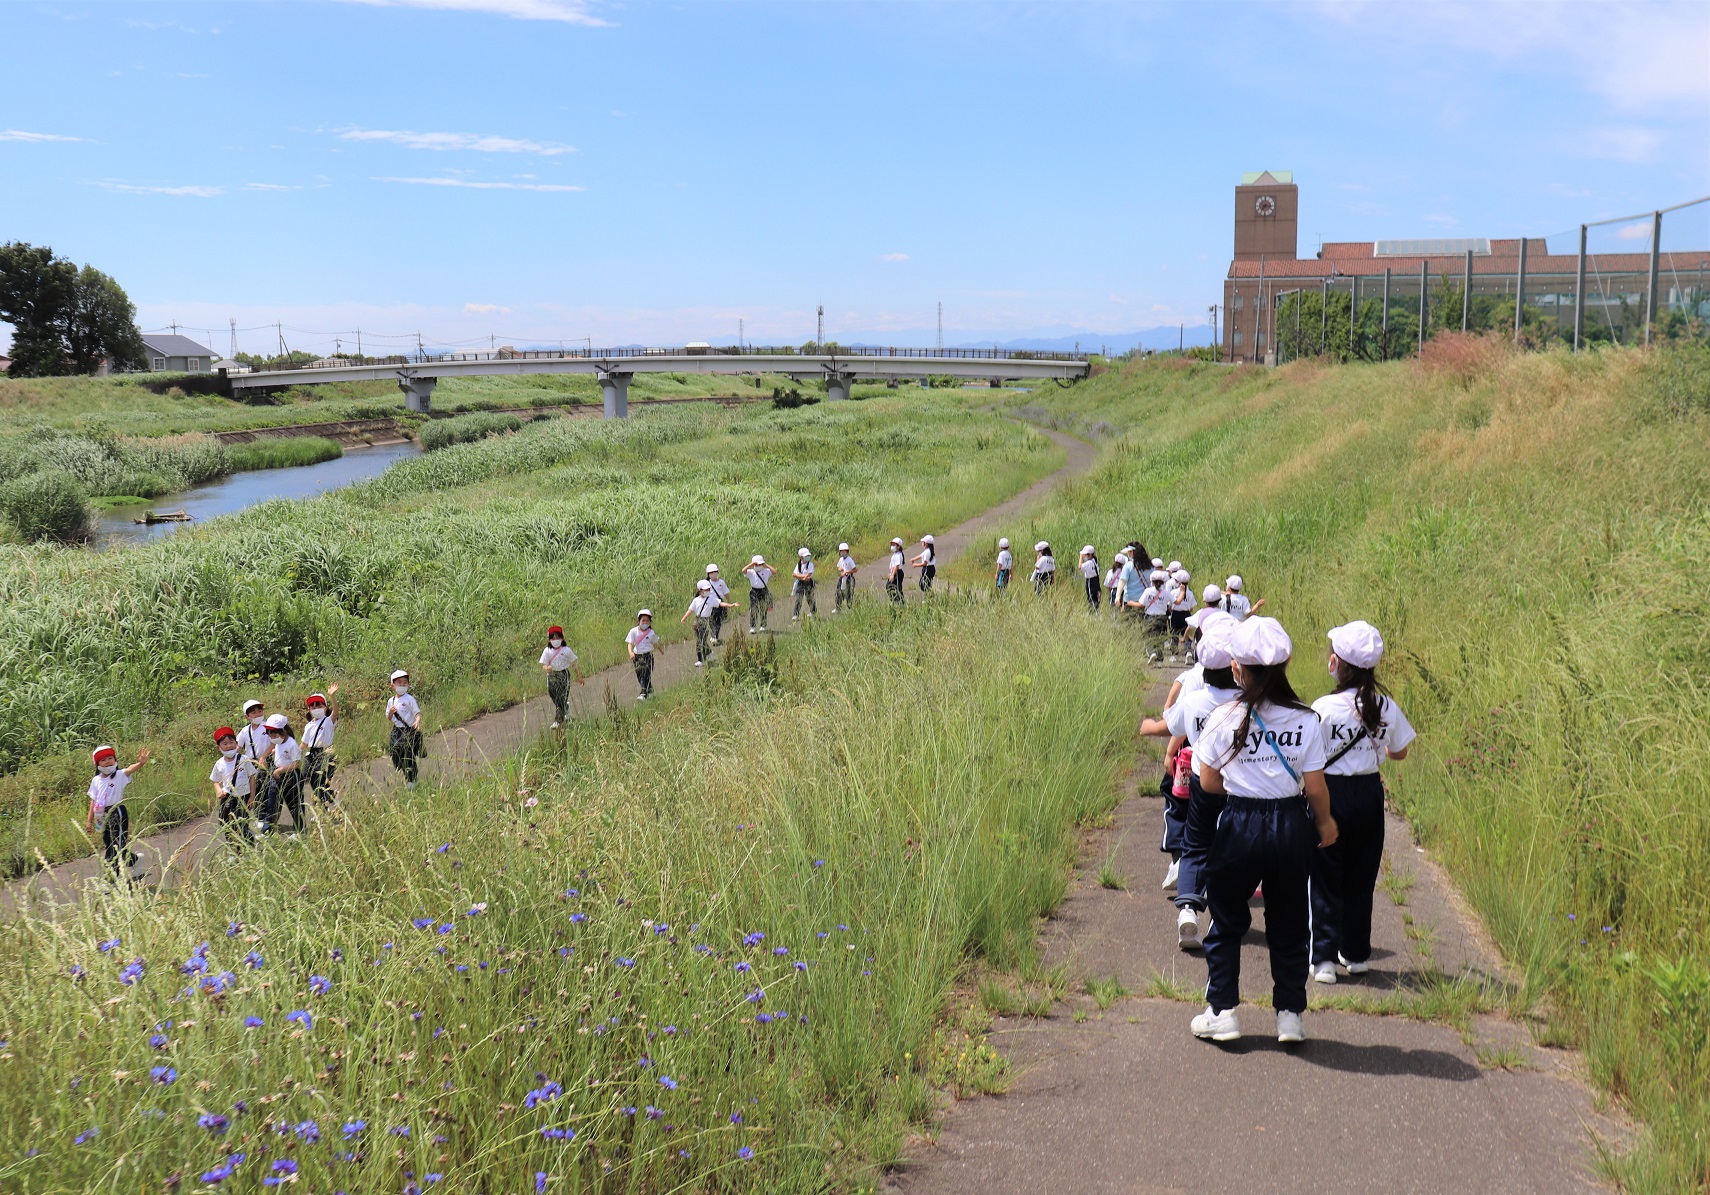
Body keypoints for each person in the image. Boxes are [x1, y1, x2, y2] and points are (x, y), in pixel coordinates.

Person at [1191, 617, 1336, 1045]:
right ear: (1286, 662)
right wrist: (1325, 823)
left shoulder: (1224, 717)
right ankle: (1289, 1015)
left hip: (1239, 823)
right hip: (1292, 824)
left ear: (1236, 668)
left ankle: (1222, 1011)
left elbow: (1208, 782)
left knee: (1227, 918)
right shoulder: (1306, 720)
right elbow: (1316, 787)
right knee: (1290, 921)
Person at [1310, 620, 1416, 984]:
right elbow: (1399, 752)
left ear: (1336, 664)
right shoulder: (1384, 705)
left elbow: (1310, 756)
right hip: (1370, 795)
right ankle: (1356, 954)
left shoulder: (1323, 706)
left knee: (1325, 874)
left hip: (1331, 793)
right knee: (1361, 874)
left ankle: (1323, 958)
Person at [1141, 617, 1240, 950]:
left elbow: (1170, 725)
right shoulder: (1246, 702)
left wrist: (1147, 726)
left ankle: (1187, 908)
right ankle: (1224, 913)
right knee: (1229, 847)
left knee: (1195, 844)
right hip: (1238, 786)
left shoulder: (1195, 701)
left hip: (1200, 780)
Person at [86, 744, 149, 879]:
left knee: (116, 847)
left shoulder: (119, 775)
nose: (107, 761)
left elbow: (129, 770)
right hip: (101, 814)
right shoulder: (96, 780)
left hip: (117, 812)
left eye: (110, 758)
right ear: (97, 764)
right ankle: (136, 861)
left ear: (115, 760)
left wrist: (140, 763)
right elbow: (93, 801)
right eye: (103, 760)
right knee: (110, 845)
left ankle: (110, 879)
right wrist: (89, 821)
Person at [209, 726, 257, 845]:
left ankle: (248, 846)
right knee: (227, 824)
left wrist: (252, 797)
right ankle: (232, 848)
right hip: (228, 798)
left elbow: (252, 777)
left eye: (231, 742)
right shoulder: (219, 763)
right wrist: (218, 790)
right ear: (218, 747)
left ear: (236, 743)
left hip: (244, 797)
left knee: (242, 823)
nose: (229, 746)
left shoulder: (244, 759)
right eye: (225, 743)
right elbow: (215, 780)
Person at [259, 713, 304, 836]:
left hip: (290, 776)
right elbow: (280, 752)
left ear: (283, 731)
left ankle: (300, 831)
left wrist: (280, 770)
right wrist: (273, 752)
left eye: (274, 733)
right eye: (269, 733)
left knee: (294, 805)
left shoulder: (292, 744)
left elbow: (296, 764)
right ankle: (266, 830)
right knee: (272, 803)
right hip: (277, 776)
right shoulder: (278, 743)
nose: (272, 736)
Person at [682, 579, 735, 667]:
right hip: (697, 621)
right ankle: (709, 653)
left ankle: (701, 660)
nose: (708, 591)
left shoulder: (711, 599)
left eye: (708, 589)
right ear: (700, 591)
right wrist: (684, 618)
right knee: (700, 640)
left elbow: (720, 603)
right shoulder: (696, 600)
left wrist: (730, 605)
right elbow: (690, 610)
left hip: (706, 620)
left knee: (700, 641)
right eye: (705, 590)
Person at [385, 669, 424, 788]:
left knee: (408, 755)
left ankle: (412, 780)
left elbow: (417, 713)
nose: (402, 685)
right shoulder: (391, 701)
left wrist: (417, 722)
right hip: (397, 731)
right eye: (399, 682)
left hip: (408, 730)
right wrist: (391, 713)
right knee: (395, 752)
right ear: (393, 685)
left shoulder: (409, 699)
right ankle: (405, 773)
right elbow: (388, 717)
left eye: (405, 682)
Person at [301, 689, 339, 804]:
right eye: (312, 706)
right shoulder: (309, 726)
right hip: (312, 754)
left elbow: (336, 711)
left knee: (322, 782)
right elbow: (304, 744)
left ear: (325, 707)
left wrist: (332, 696)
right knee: (312, 781)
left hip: (325, 753)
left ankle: (324, 804)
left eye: (319, 705)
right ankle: (328, 798)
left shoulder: (328, 721)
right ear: (309, 709)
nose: (315, 708)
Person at [626, 609, 660, 699]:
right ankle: (650, 690)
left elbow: (655, 643)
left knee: (646, 674)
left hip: (648, 655)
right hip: (637, 656)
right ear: (639, 621)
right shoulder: (633, 631)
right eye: (643, 620)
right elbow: (630, 643)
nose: (645, 622)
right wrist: (631, 653)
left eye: (647, 621)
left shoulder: (651, 633)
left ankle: (643, 693)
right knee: (640, 674)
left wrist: (661, 650)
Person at [743, 555, 776, 633]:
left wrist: (765, 564)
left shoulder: (766, 571)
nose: (758, 566)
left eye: (760, 564)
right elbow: (743, 571)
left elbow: (774, 572)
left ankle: (763, 625)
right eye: (756, 564)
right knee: (754, 609)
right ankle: (753, 626)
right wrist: (751, 564)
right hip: (754, 591)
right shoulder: (751, 572)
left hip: (763, 590)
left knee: (763, 608)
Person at [236, 699, 270, 772]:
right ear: (246, 716)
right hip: (250, 763)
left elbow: (274, 743)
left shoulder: (268, 726)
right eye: (254, 713)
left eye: (260, 711)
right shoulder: (245, 730)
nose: (258, 714)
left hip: (266, 761)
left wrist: (263, 756)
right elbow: (239, 746)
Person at [1167, 568, 1198, 643]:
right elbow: (1191, 608)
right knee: (1185, 632)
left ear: (1178, 582)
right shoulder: (1190, 593)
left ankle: (1174, 650)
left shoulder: (1173, 592)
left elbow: (1169, 605)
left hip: (1175, 614)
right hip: (1186, 614)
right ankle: (1188, 650)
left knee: (1174, 633)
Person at [705, 566, 733, 644]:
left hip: (720, 604)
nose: (713, 574)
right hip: (710, 605)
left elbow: (726, 593)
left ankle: (715, 636)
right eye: (711, 572)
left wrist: (729, 601)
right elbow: (705, 595)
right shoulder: (706, 583)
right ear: (708, 574)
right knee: (711, 621)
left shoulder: (721, 582)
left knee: (718, 621)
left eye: (715, 572)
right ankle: (713, 635)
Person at [791, 547, 817, 620]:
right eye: (806, 556)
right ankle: (795, 614)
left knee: (810, 598)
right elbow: (794, 574)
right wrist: (802, 577)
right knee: (798, 599)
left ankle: (813, 612)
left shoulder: (810, 564)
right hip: (800, 583)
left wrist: (800, 576)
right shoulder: (798, 565)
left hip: (808, 583)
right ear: (801, 557)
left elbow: (809, 575)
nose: (808, 557)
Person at [833, 543, 858, 613]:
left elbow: (855, 569)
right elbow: (838, 567)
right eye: (841, 551)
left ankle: (849, 608)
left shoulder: (850, 560)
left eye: (845, 551)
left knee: (849, 593)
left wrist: (847, 571)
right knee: (839, 592)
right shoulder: (841, 559)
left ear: (847, 551)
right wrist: (840, 569)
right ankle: (838, 608)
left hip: (849, 578)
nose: (843, 553)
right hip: (842, 578)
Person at [1078, 546, 1101, 612]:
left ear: (1090, 555)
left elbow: (1080, 567)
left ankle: (1094, 614)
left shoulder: (1089, 563)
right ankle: (1095, 612)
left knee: (1091, 598)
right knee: (1095, 598)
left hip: (1091, 581)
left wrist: (1080, 557)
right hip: (1096, 581)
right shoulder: (1094, 561)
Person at [886, 537, 907, 606]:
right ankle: (897, 601)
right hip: (895, 572)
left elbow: (896, 566)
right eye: (892, 544)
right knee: (890, 587)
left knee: (895, 588)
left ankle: (900, 603)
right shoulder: (895, 554)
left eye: (894, 545)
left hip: (897, 573)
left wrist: (892, 575)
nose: (892, 546)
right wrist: (891, 573)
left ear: (898, 546)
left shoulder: (898, 555)